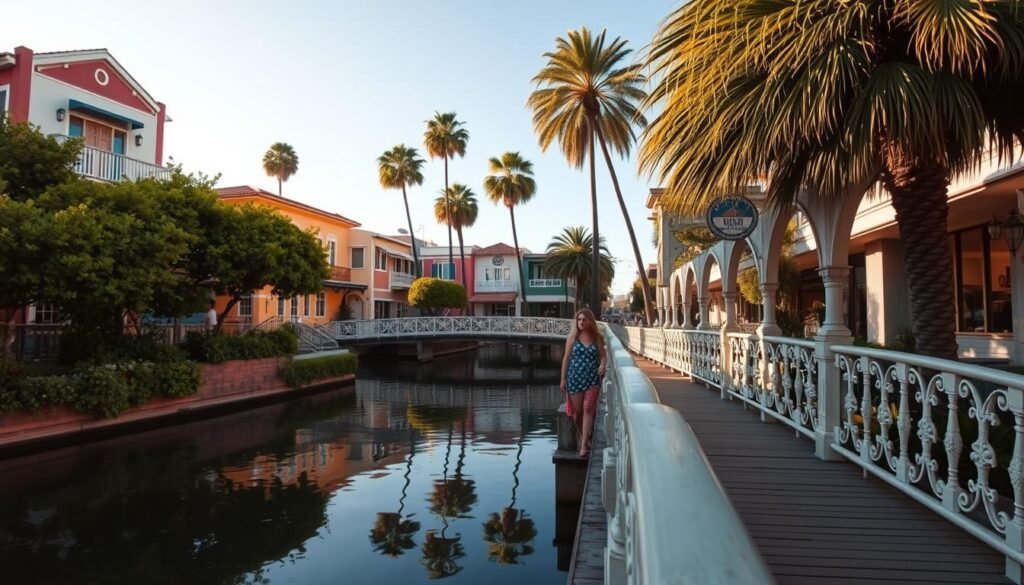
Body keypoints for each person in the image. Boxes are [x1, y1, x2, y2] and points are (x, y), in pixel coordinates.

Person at [560, 308, 606, 457]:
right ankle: (583, 435)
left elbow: (603, 356)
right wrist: (563, 379)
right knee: (577, 413)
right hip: (575, 378)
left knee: (588, 408)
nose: (581, 322)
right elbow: (566, 359)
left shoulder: (597, 338)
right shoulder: (572, 338)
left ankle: (585, 443)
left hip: (592, 379)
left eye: (584, 320)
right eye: (579, 319)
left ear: (590, 321)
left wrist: (602, 365)